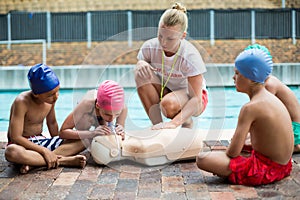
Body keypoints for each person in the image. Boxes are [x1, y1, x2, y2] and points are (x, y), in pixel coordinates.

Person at [196, 48, 294, 186]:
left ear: (251, 76)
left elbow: (232, 153)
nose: (233, 77)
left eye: (237, 73)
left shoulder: (250, 108)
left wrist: (224, 157)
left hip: (265, 170)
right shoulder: (272, 99)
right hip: (284, 166)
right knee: (245, 146)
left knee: (202, 159)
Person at [134, 2, 208, 130]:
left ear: (182, 36)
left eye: (170, 39)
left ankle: (186, 121)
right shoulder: (150, 47)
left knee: (168, 105)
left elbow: (196, 100)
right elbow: (141, 70)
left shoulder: (190, 56)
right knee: (140, 74)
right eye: (160, 35)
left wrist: (173, 123)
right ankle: (157, 127)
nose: (163, 42)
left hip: (193, 98)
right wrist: (141, 63)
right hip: (166, 90)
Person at [5, 64, 86, 174]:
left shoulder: (50, 100)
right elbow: (16, 137)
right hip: (23, 144)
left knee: (82, 138)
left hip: (40, 141)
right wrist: (45, 151)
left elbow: (52, 123)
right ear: (36, 94)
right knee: (11, 152)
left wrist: (59, 141)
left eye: (57, 91)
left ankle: (35, 163)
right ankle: (63, 160)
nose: (56, 96)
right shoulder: (22, 102)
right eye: (51, 94)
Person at [245, 44, 300, 153]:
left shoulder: (269, 84)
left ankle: (294, 145)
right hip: (287, 127)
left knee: (248, 143)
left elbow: (261, 116)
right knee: (246, 139)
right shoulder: (263, 83)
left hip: (293, 130)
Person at [59, 80, 127, 143]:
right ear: (98, 106)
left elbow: (120, 138)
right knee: (85, 123)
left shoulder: (123, 108)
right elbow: (62, 132)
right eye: (107, 114)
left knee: (107, 133)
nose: (112, 119)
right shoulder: (86, 104)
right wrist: (92, 133)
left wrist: (120, 130)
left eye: (117, 114)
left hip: (100, 116)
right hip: (88, 115)